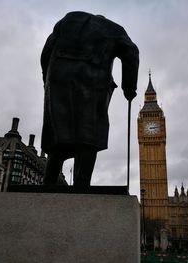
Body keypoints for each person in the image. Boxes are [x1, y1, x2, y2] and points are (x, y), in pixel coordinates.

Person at [41, 11, 139, 186]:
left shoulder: (67, 19)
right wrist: (129, 88)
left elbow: (46, 51)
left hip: (57, 78)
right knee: (89, 134)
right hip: (93, 80)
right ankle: (81, 185)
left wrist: (47, 79)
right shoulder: (113, 28)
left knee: (58, 133)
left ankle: (48, 183)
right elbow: (131, 52)